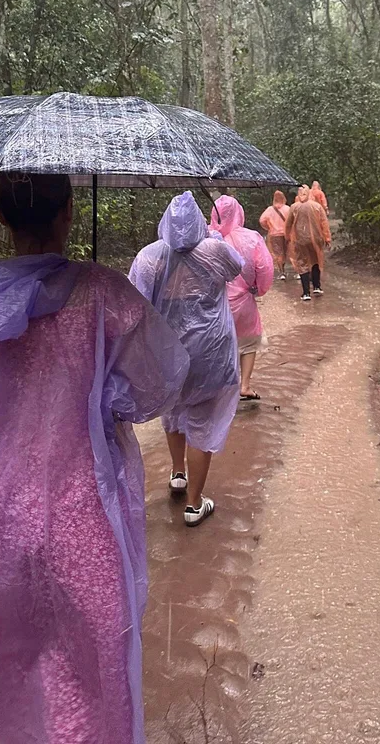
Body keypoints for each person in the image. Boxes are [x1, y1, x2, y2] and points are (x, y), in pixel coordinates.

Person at [0, 173, 189, 744]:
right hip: (87, 521)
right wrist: (101, 392)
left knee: (3, 676)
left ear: (1, 219)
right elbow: (156, 386)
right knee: (97, 682)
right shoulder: (104, 294)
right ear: (70, 211)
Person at [129, 192, 243, 527]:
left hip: (169, 353)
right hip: (211, 352)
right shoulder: (214, 250)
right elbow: (238, 268)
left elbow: (136, 302)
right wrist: (218, 238)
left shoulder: (150, 257)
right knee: (203, 423)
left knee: (175, 411)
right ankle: (194, 503)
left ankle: (178, 472)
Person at [209, 195, 273, 401]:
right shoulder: (252, 238)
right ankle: (244, 385)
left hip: (215, 304)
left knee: (218, 344)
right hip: (244, 301)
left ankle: (222, 388)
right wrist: (259, 289)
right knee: (248, 342)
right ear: (239, 213)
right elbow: (264, 268)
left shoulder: (205, 238)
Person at [285, 184, 332, 301]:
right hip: (316, 239)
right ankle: (317, 286)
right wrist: (327, 238)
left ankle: (306, 293)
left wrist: (287, 237)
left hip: (300, 240)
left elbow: (288, 224)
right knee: (315, 260)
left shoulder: (294, 207)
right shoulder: (317, 206)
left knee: (302, 263)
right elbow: (324, 223)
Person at [259, 190, 291, 280]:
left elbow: (262, 220)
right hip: (286, 234)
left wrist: (268, 227)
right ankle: (298, 272)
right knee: (288, 251)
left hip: (275, 235)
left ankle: (282, 272)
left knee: (278, 253)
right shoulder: (287, 208)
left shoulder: (269, 210)